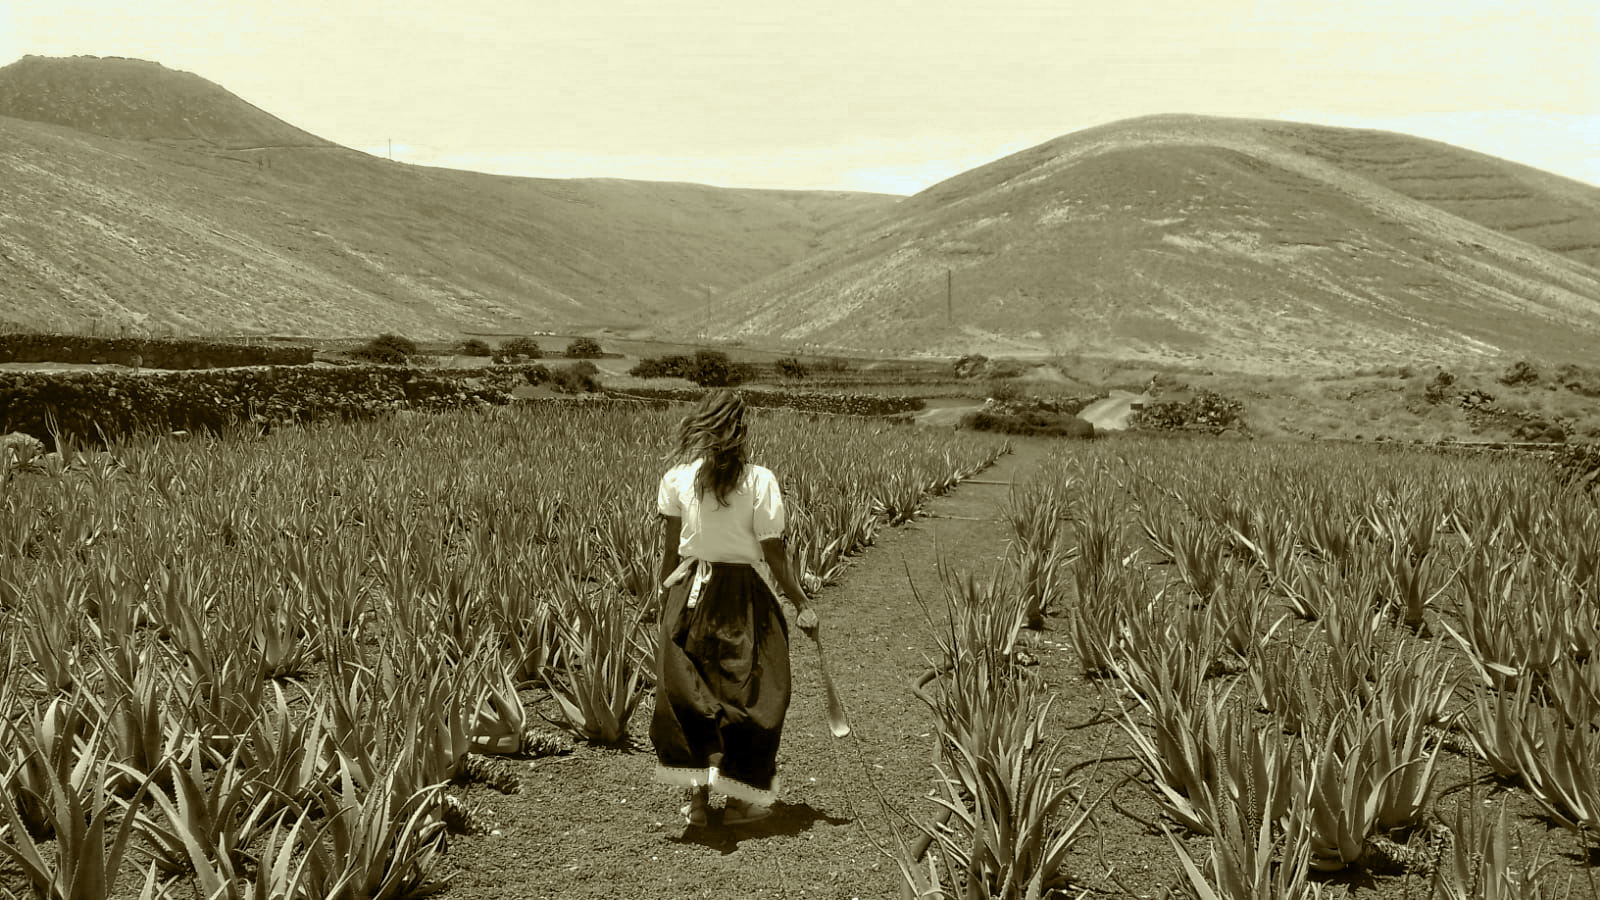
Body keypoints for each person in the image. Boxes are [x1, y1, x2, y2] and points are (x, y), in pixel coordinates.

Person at [650, 390, 818, 827]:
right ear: (742, 431)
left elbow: (670, 551)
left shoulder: (678, 478)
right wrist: (800, 602)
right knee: (750, 695)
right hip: (743, 598)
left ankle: (699, 802)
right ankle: (742, 802)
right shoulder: (759, 481)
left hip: (689, 593)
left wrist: (661, 600)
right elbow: (774, 554)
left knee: (692, 695)